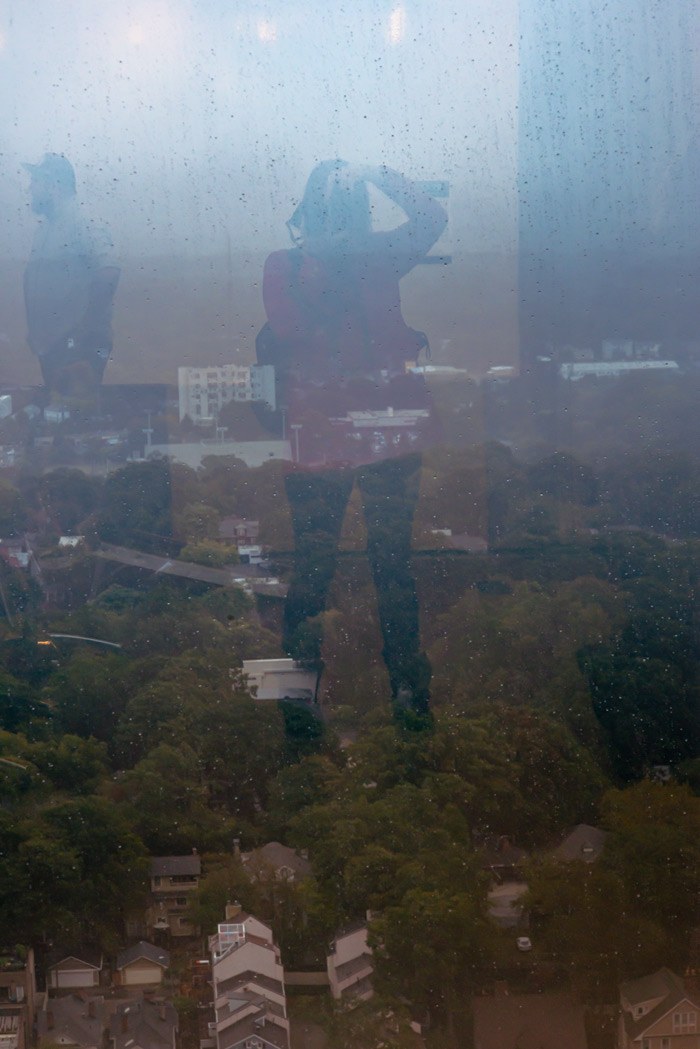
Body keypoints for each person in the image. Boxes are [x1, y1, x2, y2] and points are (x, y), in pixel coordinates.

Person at [257, 162, 447, 718]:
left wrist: (373, 177)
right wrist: (381, 175)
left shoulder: (287, 266)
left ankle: (293, 714)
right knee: (387, 571)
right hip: (383, 433)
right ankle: (410, 706)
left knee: (318, 574)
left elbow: (292, 333)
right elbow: (431, 217)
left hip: (322, 441)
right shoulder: (372, 259)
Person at [258, 160, 447, 391]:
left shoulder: (375, 254)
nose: (336, 220)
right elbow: (291, 333)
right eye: (325, 210)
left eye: (346, 208)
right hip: (329, 406)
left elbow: (433, 218)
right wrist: (378, 177)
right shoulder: (287, 266)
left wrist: (376, 173)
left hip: (389, 400)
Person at [23, 153, 120, 404]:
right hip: (53, 348)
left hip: (78, 350)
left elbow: (108, 270)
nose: (30, 188)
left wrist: (84, 332)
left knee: (76, 418)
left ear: (54, 185)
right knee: (62, 416)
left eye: (35, 181)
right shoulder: (45, 229)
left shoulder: (84, 220)